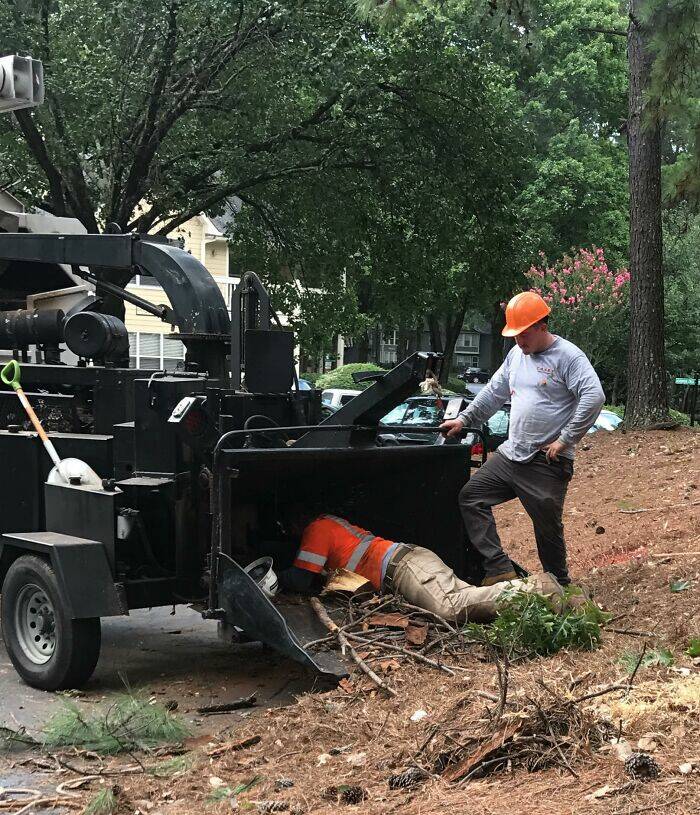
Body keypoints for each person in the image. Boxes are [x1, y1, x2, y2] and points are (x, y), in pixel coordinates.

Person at [440, 291, 605, 587]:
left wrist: (566, 439)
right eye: (514, 334)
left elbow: (594, 396)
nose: (519, 340)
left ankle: (560, 588)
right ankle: (499, 568)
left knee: (546, 530)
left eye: (524, 334)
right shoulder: (516, 356)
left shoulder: (568, 357)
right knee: (471, 497)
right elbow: (493, 393)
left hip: (546, 460)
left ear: (542, 326)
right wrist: (464, 420)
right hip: (510, 456)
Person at [278, 512, 566, 623]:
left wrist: (270, 579)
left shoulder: (316, 528)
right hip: (407, 565)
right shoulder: (328, 525)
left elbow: (301, 579)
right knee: (470, 601)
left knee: (450, 607)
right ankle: (553, 600)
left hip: (404, 567)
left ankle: (541, 587)